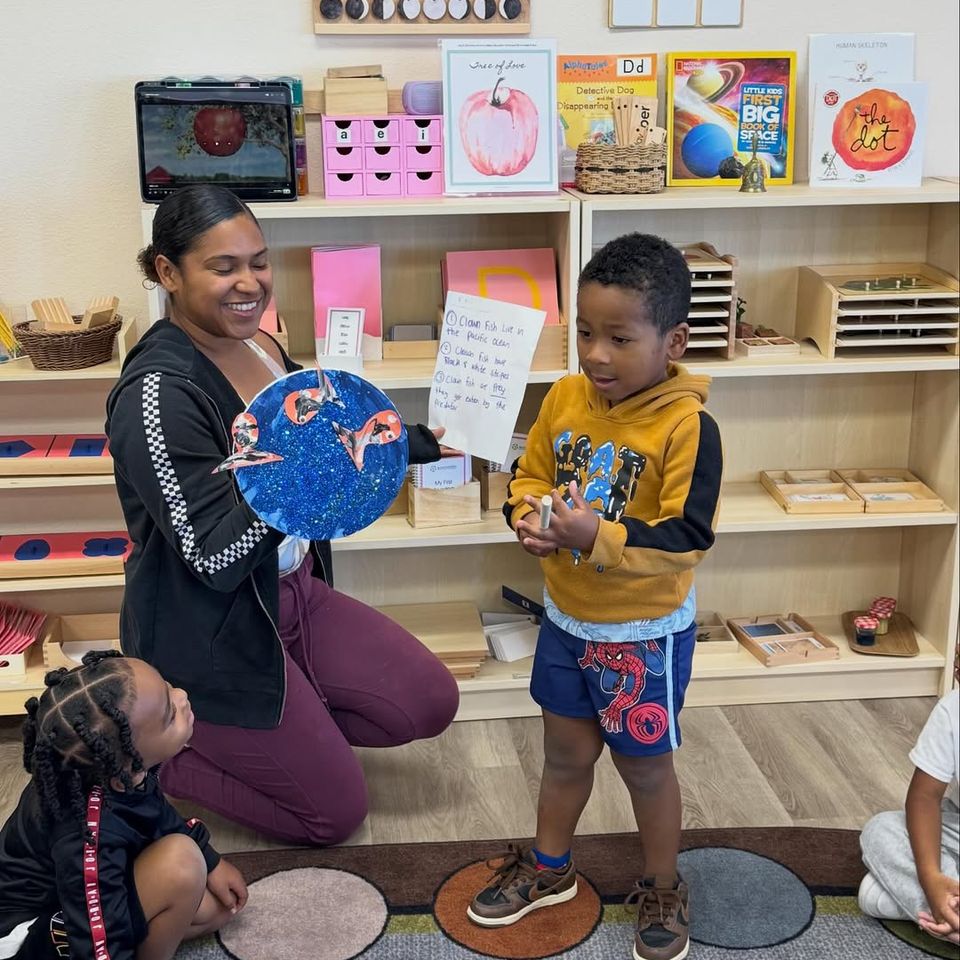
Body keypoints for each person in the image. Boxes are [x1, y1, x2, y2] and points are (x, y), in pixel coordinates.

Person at [105, 184, 459, 846]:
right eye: (223, 267)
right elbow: (213, 559)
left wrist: (411, 443)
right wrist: (305, 480)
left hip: (293, 596)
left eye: (259, 262)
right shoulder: (157, 394)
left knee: (430, 701)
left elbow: (325, 429)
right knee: (334, 816)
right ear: (168, 273)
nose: (250, 284)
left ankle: (292, 734)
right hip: (212, 632)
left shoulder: (262, 346)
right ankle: (153, 759)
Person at [467, 233, 722, 960]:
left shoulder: (689, 426)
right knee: (564, 755)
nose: (596, 354)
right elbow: (531, 473)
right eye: (584, 332)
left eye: (619, 338)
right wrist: (528, 516)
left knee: (645, 768)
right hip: (566, 621)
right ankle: (550, 869)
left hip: (642, 635)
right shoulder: (565, 396)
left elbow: (688, 537)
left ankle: (664, 884)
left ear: (673, 341)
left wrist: (594, 536)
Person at [0, 651, 245, 960]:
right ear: (127, 761)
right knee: (182, 865)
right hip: (33, 933)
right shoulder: (85, 834)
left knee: (215, 907)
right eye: (170, 715)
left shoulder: (116, 771)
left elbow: (153, 812)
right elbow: (92, 934)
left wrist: (211, 861)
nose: (182, 695)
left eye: (168, 686)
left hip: (79, 894)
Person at [859, 683, 959, 945]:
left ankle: (939, 913)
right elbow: (924, 798)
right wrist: (930, 879)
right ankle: (946, 906)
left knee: (873, 896)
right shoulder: (953, 709)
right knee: (881, 829)